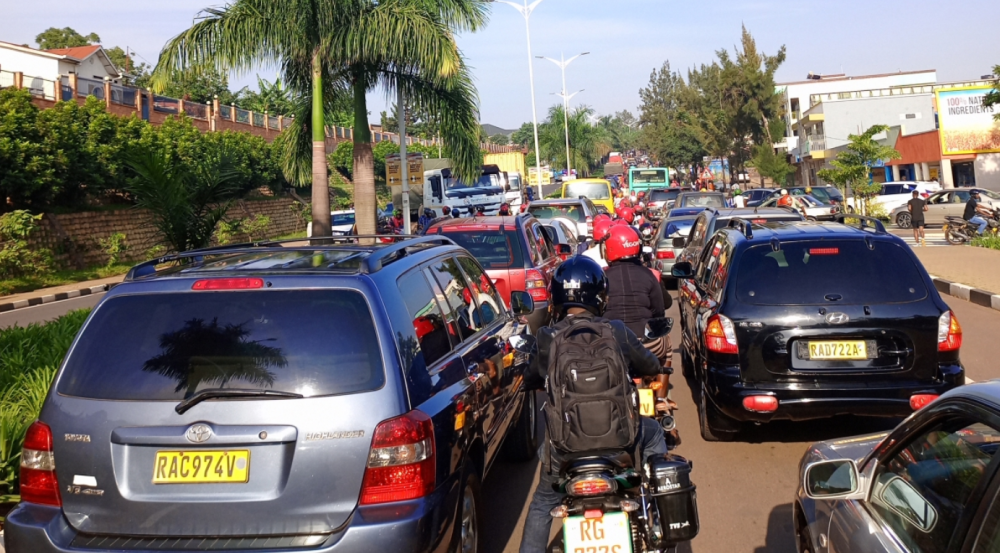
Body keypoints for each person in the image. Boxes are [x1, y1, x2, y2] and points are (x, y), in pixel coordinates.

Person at [519, 256, 669, 553]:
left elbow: (529, 378)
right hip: (620, 444)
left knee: (542, 504)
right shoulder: (616, 330)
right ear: (600, 295)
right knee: (654, 434)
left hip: (564, 450)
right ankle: (657, 509)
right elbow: (650, 364)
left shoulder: (547, 338)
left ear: (557, 298)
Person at [602, 225, 673, 404]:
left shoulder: (602, 278)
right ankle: (661, 399)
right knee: (668, 349)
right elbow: (659, 312)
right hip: (648, 344)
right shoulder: (649, 275)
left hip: (613, 346)